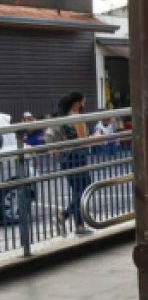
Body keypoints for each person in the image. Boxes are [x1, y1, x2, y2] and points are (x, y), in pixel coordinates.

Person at [56, 92, 92, 237]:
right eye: (83, 101)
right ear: (77, 103)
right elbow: (83, 140)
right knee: (83, 189)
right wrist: (97, 139)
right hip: (77, 157)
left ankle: (79, 226)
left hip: (66, 158)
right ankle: (64, 215)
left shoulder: (64, 117)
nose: (84, 103)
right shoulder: (77, 117)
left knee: (78, 190)